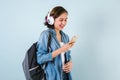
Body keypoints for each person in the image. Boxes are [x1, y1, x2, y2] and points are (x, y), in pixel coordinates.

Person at [36, 6, 75, 80]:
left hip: (65, 76)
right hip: (51, 76)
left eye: (66, 20)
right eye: (61, 20)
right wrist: (60, 50)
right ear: (51, 20)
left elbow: (68, 56)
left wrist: (70, 63)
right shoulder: (46, 35)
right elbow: (40, 59)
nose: (64, 23)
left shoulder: (65, 37)